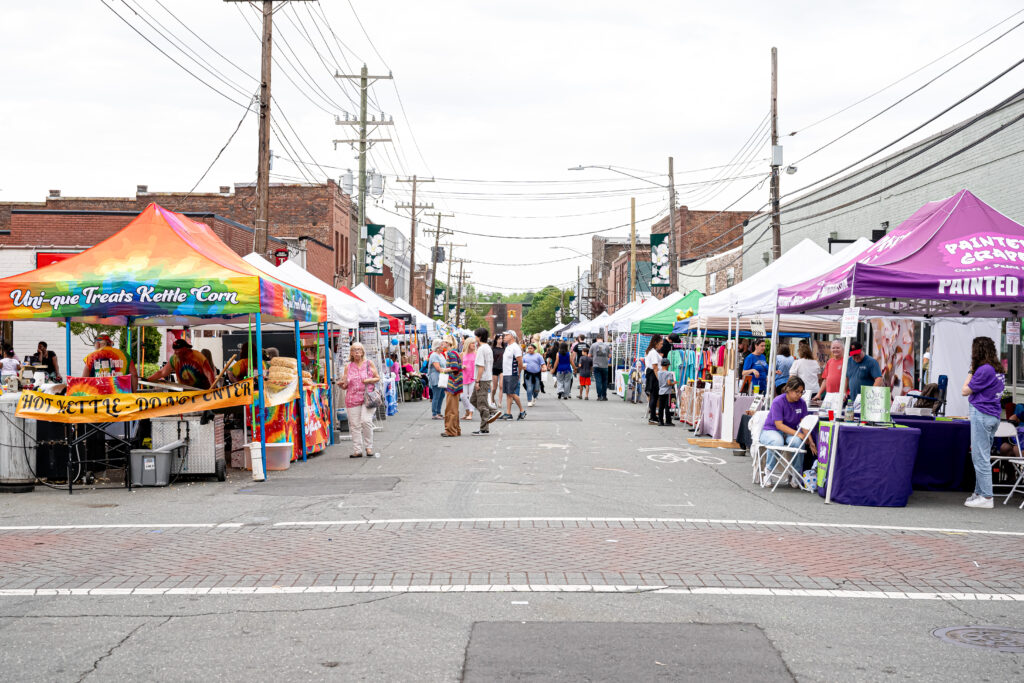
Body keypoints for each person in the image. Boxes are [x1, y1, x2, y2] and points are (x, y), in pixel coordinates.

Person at [962, 336, 1004, 509]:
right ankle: (979, 492)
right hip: (992, 414)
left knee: (980, 457)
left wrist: (970, 371)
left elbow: (965, 390)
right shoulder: (997, 368)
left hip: (982, 413)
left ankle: (986, 496)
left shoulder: (983, 370)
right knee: (982, 455)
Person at [759, 376, 817, 484]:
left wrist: (811, 441)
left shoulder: (802, 403)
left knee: (798, 442)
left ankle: (794, 473)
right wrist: (798, 434)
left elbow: (804, 424)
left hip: (789, 432)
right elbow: (779, 425)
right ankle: (768, 471)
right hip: (772, 430)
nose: (799, 395)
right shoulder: (778, 401)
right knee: (777, 441)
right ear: (788, 389)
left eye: (801, 392)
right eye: (797, 392)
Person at [338, 341, 380, 458]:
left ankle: (369, 447)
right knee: (354, 425)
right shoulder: (348, 367)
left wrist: (368, 381)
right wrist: (341, 385)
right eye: (354, 350)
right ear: (351, 353)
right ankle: (357, 450)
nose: (356, 352)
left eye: (359, 349)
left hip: (368, 398)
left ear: (362, 352)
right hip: (352, 398)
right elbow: (346, 383)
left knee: (366, 421)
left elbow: (377, 378)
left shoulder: (368, 363)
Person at [469, 328, 503, 435]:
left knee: (481, 403)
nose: (475, 338)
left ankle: (485, 426)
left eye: (475, 336)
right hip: (486, 377)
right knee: (473, 400)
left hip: (482, 379)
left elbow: (481, 366)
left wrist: (477, 381)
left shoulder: (481, 349)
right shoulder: (487, 347)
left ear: (479, 337)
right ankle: (491, 412)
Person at [501, 330, 526, 420]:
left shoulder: (515, 347)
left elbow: (520, 362)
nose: (504, 337)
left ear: (511, 336)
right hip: (507, 372)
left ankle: (522, 410)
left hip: (512, 372)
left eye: (506, 335)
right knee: (508, 393)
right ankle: (508, 413)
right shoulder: (508, 346)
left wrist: (518, 372)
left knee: (511, 393)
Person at [442, 336, 463, 437]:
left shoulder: (451, 353)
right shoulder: (454, 352)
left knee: (451, 408)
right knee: (454, 408)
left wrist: (445, 370)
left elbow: (455, 367)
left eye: (444, 342)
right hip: (456, 383)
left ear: (448, 343)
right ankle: (455, 429)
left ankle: (450, 430)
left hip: (453, 383)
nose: (443, 344)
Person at [644, 334, 664, 425]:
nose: (661, 345)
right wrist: (659, 379)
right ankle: (652, 417)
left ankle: (653, 417)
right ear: (656, 343)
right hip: (653, 374)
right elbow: (655, 367)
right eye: (660, 343)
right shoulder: (653, 353)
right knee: (654, 396)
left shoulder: (652, 351)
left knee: (654, 396)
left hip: (652, 373)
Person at [427, 339, 446, 420]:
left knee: (441, 395)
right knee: (436, 395)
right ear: (437, 346)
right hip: (436, 377)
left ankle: (438, 412)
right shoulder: (434, 355)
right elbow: (438, 368)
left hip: (442, 377)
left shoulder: (441, 355)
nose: (443, 346)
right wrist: (448, 370)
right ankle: (434, 413)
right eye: (441, 345)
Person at [656, 357, 676, 426]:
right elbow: (669, 383)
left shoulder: (658, 373)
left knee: (661, 407)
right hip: (667, 391)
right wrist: (674, 383)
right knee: (667, 406)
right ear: (667, 365)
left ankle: (660, 421)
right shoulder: (669, 373)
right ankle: (668, 421)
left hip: (661, 390)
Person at [461, 337, 477, 420]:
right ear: (468, 344)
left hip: (473, 377)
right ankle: (467, 410)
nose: (474, 345)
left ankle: (471, 413)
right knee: (463, 396)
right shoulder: (462, 354)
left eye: (474, 343)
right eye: (472, 343)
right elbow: (458, 365)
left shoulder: (476, 353)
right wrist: (461, 366)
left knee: (471, 396)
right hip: (464, 377)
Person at [590, 337, 611, 401]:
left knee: (598, 381)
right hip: (605, 366)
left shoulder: (593, 345)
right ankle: (604, 396)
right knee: (604, 381)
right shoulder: (607, 346)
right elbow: (609, 356)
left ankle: (599, 396)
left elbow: (589, 355)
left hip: (596, 365)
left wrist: (594, 356)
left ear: (597, 339)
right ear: (602, 339)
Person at [491, 337, 505, 406]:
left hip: (502, 368)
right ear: (496, 340)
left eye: (501, 339)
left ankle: (500, 402)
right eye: (499, 339)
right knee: (494, 387)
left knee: (501, 386)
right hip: (495, 368)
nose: (500, 340)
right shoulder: (493, 349)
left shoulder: (504, 348)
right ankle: (492, 398)